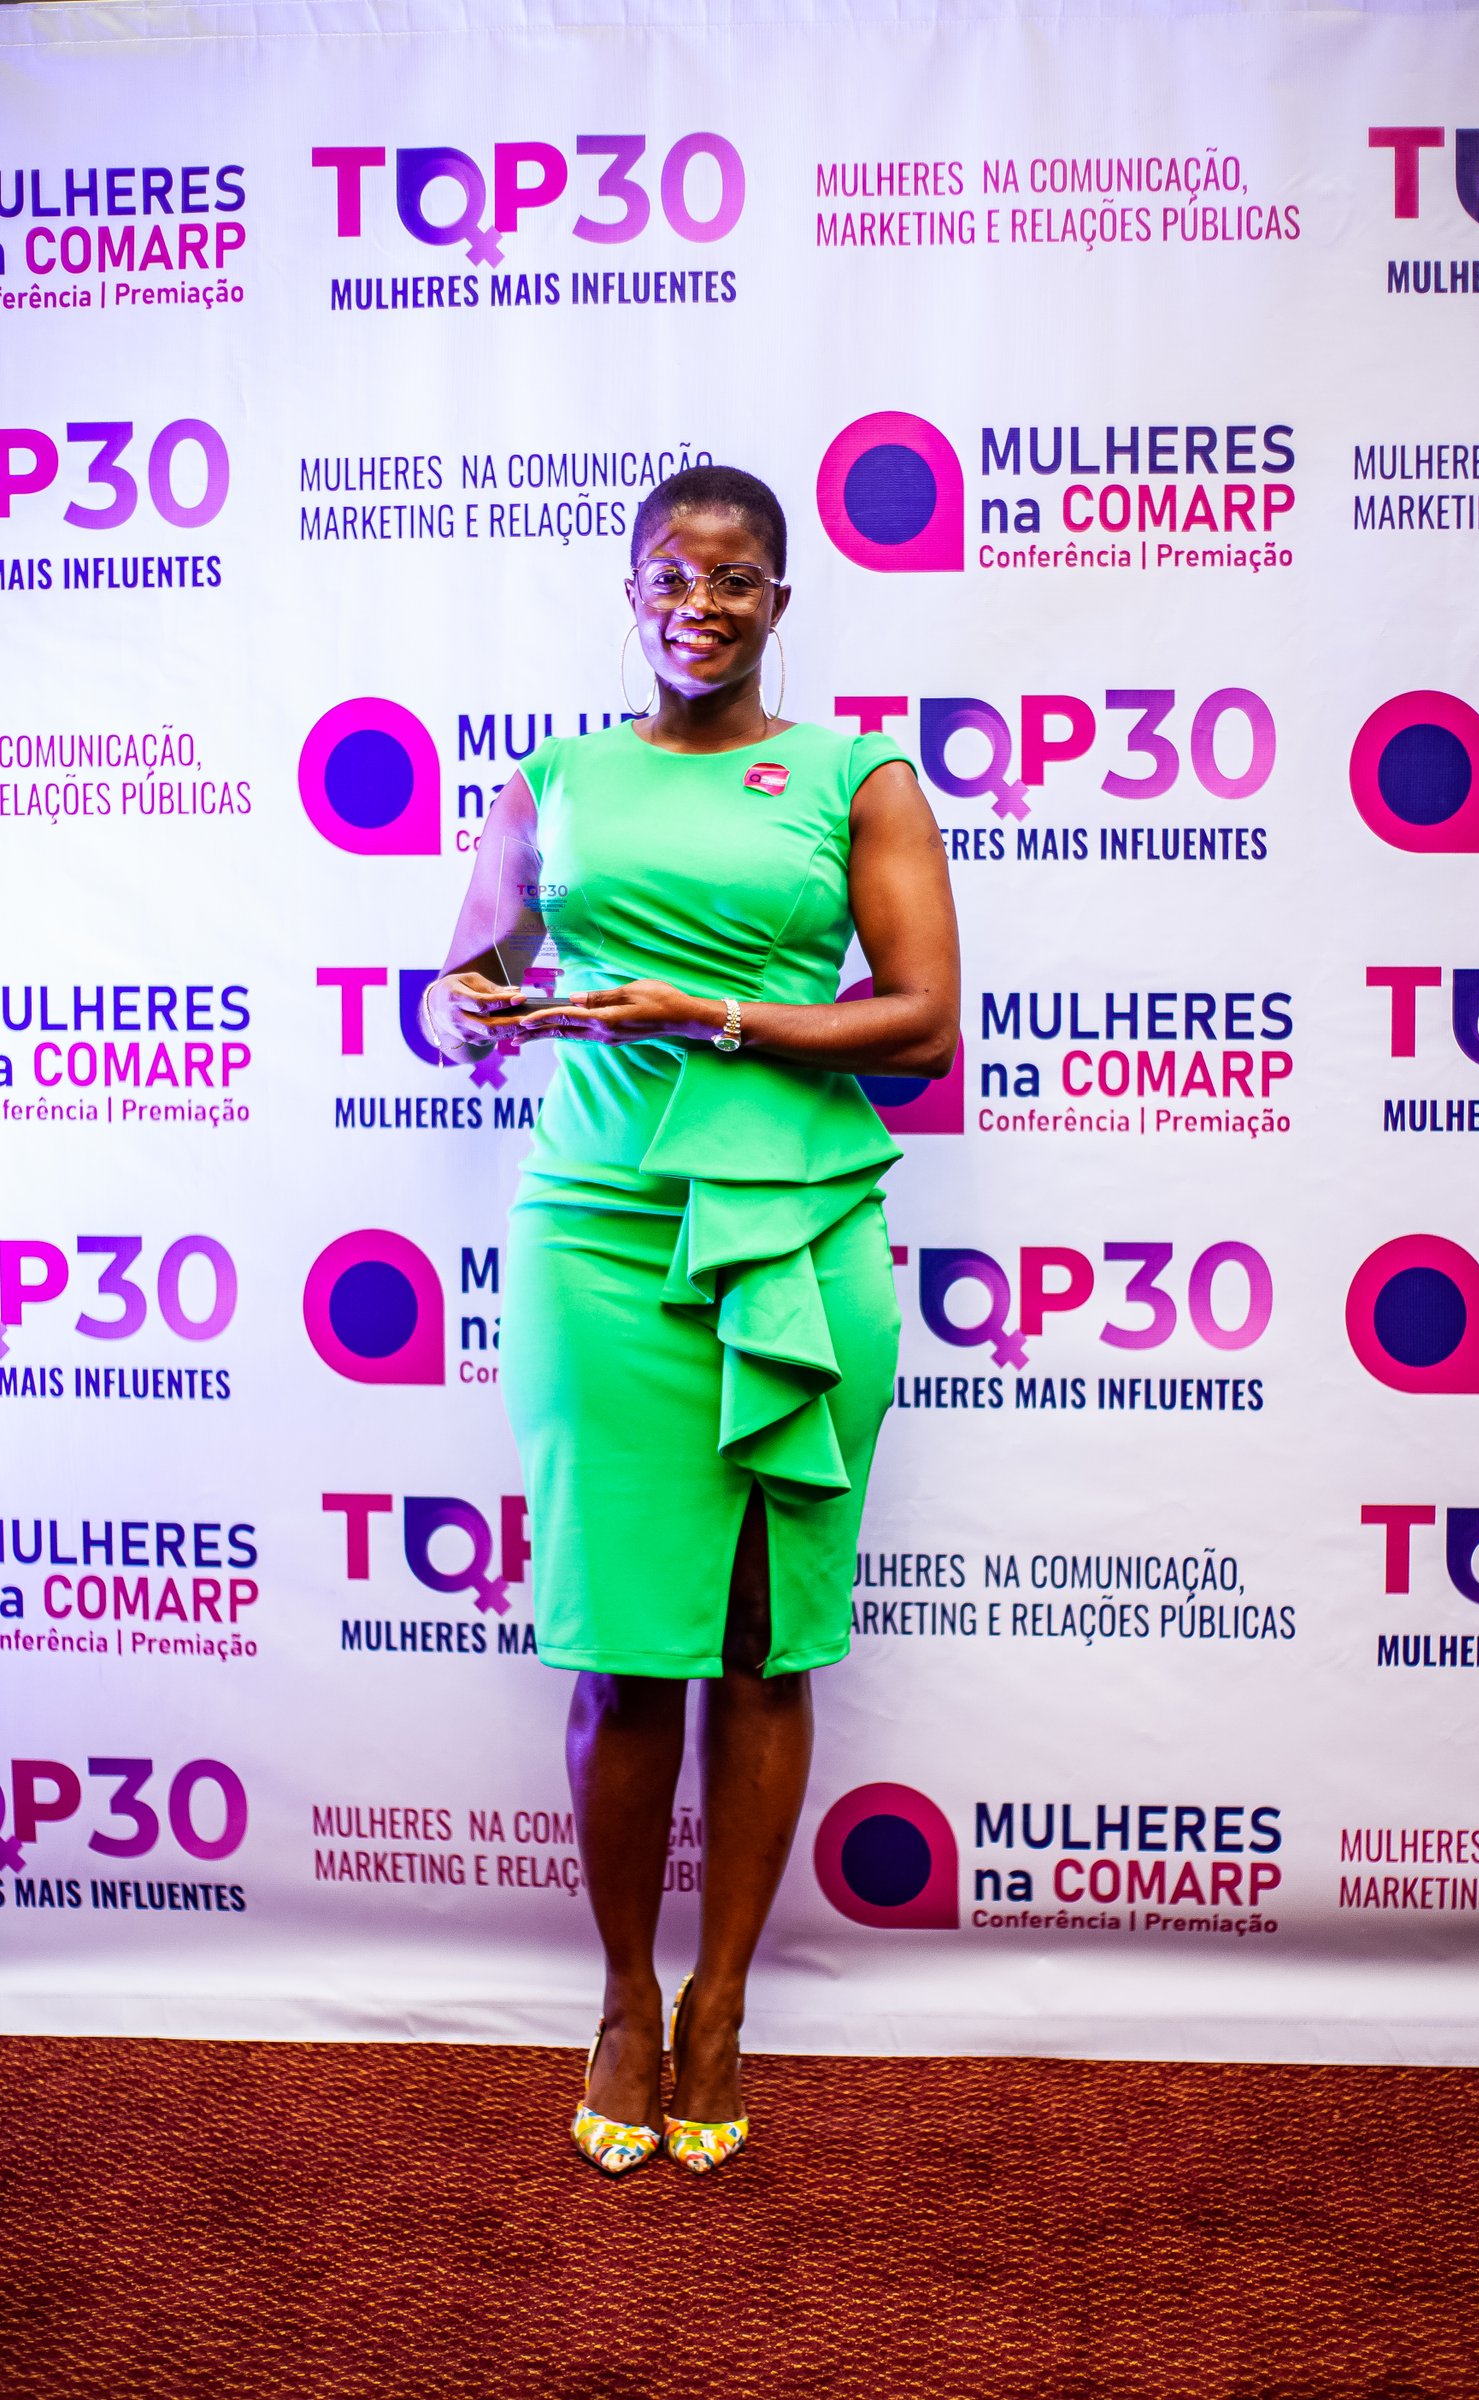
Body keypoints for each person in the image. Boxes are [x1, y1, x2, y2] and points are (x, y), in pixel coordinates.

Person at [425, 465, 959, 2175]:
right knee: (623, 1639)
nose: (700, 602)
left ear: (779, 600)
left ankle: (720, 2003)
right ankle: (619, 1996)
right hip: (594, 1231)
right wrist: (466, 1015)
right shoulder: (555, 781)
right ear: (634, 592)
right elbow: (458, 982)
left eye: (734, 578)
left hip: (797, 1228)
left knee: (762, 1639)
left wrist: (710, 1016)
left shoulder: (859, 776)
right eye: (671, 574)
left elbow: (926, 1024)